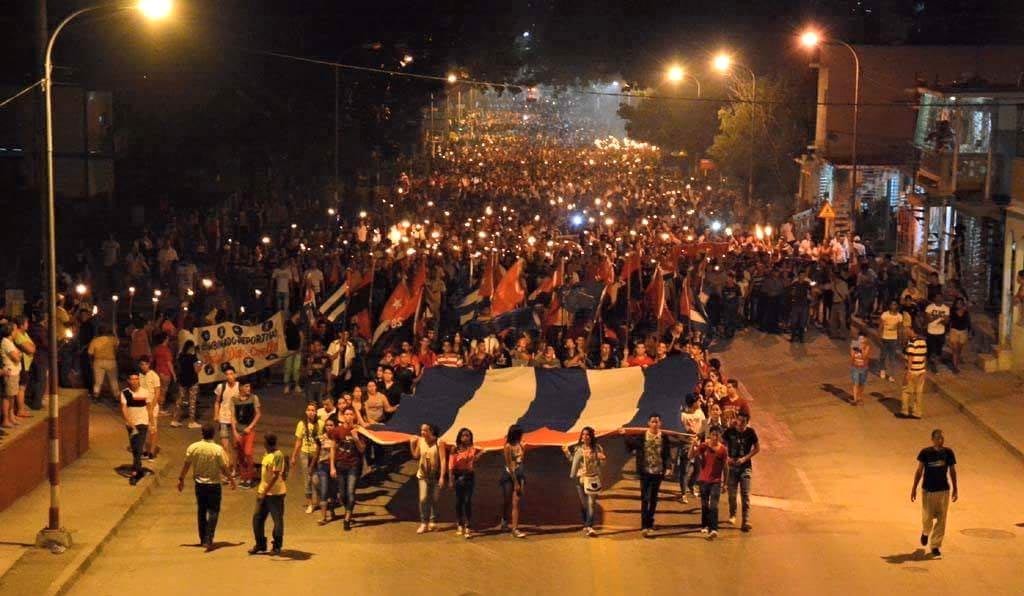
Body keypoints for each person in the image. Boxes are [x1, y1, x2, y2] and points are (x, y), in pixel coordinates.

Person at [177, 423, 235, 551]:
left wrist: (181, 479)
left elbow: (186, 465)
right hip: (214, 485)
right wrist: (231, 479)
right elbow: (224, 467)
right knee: (214, 511)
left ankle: (203, 538)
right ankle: (209, 537)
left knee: (201, 511)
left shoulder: (194, 447)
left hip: (200, 484)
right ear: (213, 434)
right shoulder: (218, 449)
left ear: (202, 433)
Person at [623, 413, 679, 537]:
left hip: (658, 471)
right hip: (645, 471)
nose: (654, 424)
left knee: (653, 498)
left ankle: (650, 522)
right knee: (645, 498)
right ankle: (644, 525)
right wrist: (625, 434)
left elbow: (667, 454)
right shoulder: (643, 436)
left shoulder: (663, 437)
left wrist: (668, 467)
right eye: (652, 421)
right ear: (648, 423)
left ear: (660, 423)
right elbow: (631, 445)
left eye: (657, 422)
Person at [911, 429, 958, 559]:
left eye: (942, 438)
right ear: (932, 439)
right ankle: (926, 532)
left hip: (943, 491)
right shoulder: (925, 453)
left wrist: (955, 488)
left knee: (942, 519)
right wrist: (914, 488)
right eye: (938, 438)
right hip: (928, 491)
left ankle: (935, 546)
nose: (940, 440)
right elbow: (919, 471)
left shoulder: (948, 453)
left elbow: (952, 471)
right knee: (927, 518)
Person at [564, 426, 606, 536]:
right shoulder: (578, 449)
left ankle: (589, 526)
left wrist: (603, 459)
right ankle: (586, 523)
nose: (585, 436)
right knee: (584, 504)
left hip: (592, 478)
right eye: (583, 434)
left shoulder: (597, 448)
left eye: (587, 434)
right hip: (580, 480)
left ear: (591, 436)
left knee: (591, 503)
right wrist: (567, 452)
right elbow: (573, 461)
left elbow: (602, 464)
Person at [250, 433, 287, 556]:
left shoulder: (278, 455)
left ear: (267, 443)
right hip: (263, 492)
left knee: (277, 521)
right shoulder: (267, 454)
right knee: (257, 518)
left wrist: (265, 492)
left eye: (264, 442)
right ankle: (260, 544)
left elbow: (275, 476)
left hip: (275, 494)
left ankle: (277, 546)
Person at [329, 405, 365, 531]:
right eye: (347, 414)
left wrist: (356, 438)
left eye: (351, 414)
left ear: (354, 416)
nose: (349, 416)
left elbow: (362, 449)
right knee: (342, 495)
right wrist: (332, 467)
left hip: (353, 466)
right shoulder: (337, 430)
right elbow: (333, 448)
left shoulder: (359, 431)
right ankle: (348, 509)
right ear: (343, 416)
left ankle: (347, 518)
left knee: (350, 492)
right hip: (340, 465)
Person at [723, 412, 759, 532]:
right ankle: (732, 514)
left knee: (745, 494)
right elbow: (722, 444)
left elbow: (757, 448)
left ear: (747, 422)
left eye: (743, 421)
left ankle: (745, 521)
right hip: (732, 467)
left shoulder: (750, 432)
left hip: (745, 467)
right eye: (739, 420)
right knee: (732, 494)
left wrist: (744, 458)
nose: (740, 423)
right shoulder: (730, 431)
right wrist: (727, 457)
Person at [691, 426, 728, 540]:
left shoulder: (723, 450)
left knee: (713, 505)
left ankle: (714, 529)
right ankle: (704, 525)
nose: (715, 437)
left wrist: (725, 483)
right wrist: (693, 445)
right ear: (710, 435)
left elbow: (726, 467)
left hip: (716, 481)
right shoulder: (704, 446)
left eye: (717, 435)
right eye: (713, 435)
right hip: (703, 480)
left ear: (720, 436)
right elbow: (691, 455)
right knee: (704, 504)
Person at [410, 423, 446, 533]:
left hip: (435, 476)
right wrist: (412, 444)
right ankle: (423, 523)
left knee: (435, 499)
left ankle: (432, 521)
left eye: (425, 430)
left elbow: (443, 460)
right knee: (423, 498)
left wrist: (442, 476)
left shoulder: (439, 442)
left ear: (431, 431)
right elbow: (415, 456)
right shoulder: (421, 441)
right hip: (423, 475)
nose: (422, 432)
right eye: (421, 430)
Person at [120, 371, 155, 485]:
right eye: (132, 379)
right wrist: (129, 422)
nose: (135, 381)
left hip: (142, 423)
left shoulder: (145, 392)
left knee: (139, 447)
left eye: (136, 379)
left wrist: (152, 423)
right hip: (131, 424)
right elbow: (124, 408)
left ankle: (135, 472)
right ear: (129, 381)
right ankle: (138, 468)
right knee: (135, 447)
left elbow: (149, 408)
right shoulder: (125, 393)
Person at [448, 427, 483, 538]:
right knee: (459, 501)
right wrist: (450, 480)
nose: (466, 437)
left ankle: (468, 526)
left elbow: (472, 460)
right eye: (463, 435)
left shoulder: (473, 448)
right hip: (458, 477)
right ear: (459, 437)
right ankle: (459, 524)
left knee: (467, 501)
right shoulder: (455, 449)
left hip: (469, 476)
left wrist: (479, 455)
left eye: (468, 435)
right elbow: (451, 466)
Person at [290, 402, 321, 514]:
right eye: (309, 410)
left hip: (316, 454)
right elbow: (298, 441)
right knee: (307, 479)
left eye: (313, 410)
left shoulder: (320, 424)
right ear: (306, 412)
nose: (311, 412)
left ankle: (318, 500)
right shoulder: (301, 424)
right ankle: (310, 503)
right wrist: (293, 456)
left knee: (316, 480)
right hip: (305, 454)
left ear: (316, 412)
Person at [233, 380, 262, 488]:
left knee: (248, 452)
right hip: (239, 430)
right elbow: (233, 416)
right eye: (246, 386)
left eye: (249, 386)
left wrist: (250, 427)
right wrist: (235, 432)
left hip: (249, 430)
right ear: (240, 387)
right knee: (240, 454)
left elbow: (258, 414)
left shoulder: (254, 398)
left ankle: (250, 477)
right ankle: (243, 477)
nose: (248, 388)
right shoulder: (234, 399)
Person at [500, 424, 527, 538]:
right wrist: (515, 482)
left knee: (516, 502)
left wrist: (521, 480)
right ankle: (504, 520)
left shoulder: (521, 445)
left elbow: (521, 460)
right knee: (507, 500)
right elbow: (509, 465)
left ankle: (515, 529)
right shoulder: (507, 446)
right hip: (509, 475)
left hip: (519, 474)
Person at [678, 394, 705, 503]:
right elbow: (681, 429)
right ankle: (683, 494)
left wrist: (705, 438)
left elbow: (704, 426)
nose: (700, 402)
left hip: (698, 444)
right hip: (687, 444)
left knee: (698, 468)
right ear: (693, 403)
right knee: (685, 469)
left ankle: (691, 485)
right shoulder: (683, 415)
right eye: (698, 401)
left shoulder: (700, 412)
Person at [212, 367, 240, 474]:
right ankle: (228, 467)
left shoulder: (239, 386)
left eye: (231, 373)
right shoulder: (221, 387)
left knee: (235, 446)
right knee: (225, 445)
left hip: (235, 420)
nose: (229, 376)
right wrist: (216, 414)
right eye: (227, 374)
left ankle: (235, 468)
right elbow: (217, 402)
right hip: (223, 418)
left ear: (235, 374)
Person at [171, 340, 202, 429]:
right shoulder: (193, 357)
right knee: (192, 401)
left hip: (182, 380)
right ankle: (191, 422)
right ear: (191, 348)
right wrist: (200, 361)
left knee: (179, 400)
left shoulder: (180, 356)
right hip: (192, 380)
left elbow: (178, 366)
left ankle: (175, 420)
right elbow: (197, 370)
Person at [86, 324, 119, 400]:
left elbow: (90, 353)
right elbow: (117, 347)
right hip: (111, 361)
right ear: (106, 332)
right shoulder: (112, 339)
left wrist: (91, 362)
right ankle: (116, 396)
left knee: (98, 381)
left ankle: (96, 395)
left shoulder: (94, 340)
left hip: (98, 361)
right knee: (113, 380)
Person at [315, 417, 338, 525]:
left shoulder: (338, 439)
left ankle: (332, 512)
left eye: (331, 425)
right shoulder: (320, 438)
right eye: (327, 425)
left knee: (333, 491)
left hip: (335, 467)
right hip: (323, 466)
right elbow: (317, 453)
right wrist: (312, 466)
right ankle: (323, 517)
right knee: (324, 491)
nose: (329, 427)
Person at [901, 328, 928, 418]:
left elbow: (910, 358)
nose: (906, 331)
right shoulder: (923, 342)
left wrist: (908, 371)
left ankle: (905, 411)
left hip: (912, 371)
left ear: (912, 330)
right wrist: (924, 369)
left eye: (907, 330)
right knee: (918, 392)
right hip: (921, 370)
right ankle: (917, 412)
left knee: (906, 391)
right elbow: (924, 356)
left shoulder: (912, 342)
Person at [138, 356, 162, 459]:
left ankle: (152, 451)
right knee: (142, 429)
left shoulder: (154, 376)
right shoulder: (139, 376)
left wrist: (152, 407)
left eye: (145, 364)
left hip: (152, 405)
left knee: (153, 429)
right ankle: (143, 450)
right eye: (142, 364)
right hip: (141, 406)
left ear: (149, 364)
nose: (144, 366)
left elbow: (157, 392)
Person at [877, 300, 902, 381]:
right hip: (885, 338)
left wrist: (899, 339)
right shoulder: (885, 315)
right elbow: (880, 327)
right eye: (892, 304)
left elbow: (899, 329)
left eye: (895, 304)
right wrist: (879, 337)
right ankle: (882, 370)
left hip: (894, 338)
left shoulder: (899, 316)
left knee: (892, 357)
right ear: (889, 305)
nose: (893, 306)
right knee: (883, 356)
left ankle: (892, 375)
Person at [924, 295, 949, 372]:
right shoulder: (929, 307)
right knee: (931, 349)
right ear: (934, 298)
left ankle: (934, 364)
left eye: (940, 297)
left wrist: (934, 317)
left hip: (941, 332)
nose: (939, 298)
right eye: (937, 297)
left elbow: (946, 322)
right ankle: (932, 365)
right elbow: (928, 319)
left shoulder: (946, 308)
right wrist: (941, 317)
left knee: (938, 350)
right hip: (931, 331)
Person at [947, 298, 971, 374]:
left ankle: (957, 359)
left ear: (962, 304)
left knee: (959, 349)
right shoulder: (952, 311)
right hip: (954, 331)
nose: (959, 304)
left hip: (963, 332)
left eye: (960, 303)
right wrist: (947, 331)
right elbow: (949, 321)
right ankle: (955, 367)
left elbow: (968, 322)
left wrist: (970, 331)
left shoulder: (966, 312)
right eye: (957, 303)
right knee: (955, 349)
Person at [283, 311, 303, 395]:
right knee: (288, 368)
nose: (300, 316)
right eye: (299, 314)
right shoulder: (287, 323)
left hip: (297, 350)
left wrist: (300, 347)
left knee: (296, 369)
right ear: (295, 314)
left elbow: (301, 336)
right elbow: (283, 334)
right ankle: (287, 386)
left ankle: (296, 385)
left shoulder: (299, 324)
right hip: (289, 350)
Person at [849, 335, 870, 405]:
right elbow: (852, 356)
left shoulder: (867, 347)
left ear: (865, 339)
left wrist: (862, 349)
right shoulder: (854, 345)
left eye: (862, 339)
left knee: (862, 384)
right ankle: (855, 399)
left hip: (864, 368)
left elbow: (864, 357)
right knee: (855, 383)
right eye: (859, 338)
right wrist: (854, 349)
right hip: (855, 367)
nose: (860, 340)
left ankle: (859, 397)